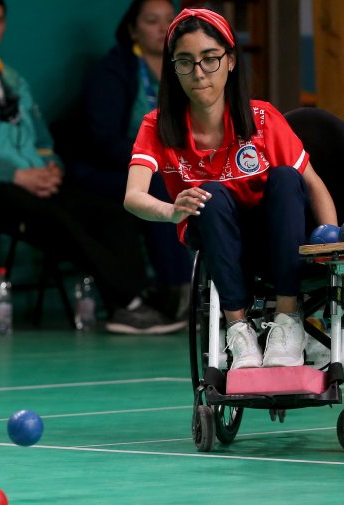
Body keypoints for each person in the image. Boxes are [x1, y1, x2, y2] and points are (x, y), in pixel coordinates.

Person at [0, 0, 185, 334]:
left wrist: (50, 169)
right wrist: (19, 176)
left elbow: (43, 140)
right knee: (58, 220)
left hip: (36, 182)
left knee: (113, 213)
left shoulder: (13, 79)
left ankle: (141, 300)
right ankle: (129, 303)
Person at [123, 8, 337, 368]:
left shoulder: (263, 119)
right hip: (217, 237)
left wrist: (330, 243)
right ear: (173, 67)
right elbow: (133, 197)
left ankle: (287, 321)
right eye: (185, 62)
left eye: (210, 59)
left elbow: (313, 184)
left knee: (286, 177)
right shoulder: (157, 125)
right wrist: (172, 210)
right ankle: (239, 330)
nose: (199, 73)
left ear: (231, 61)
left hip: (278, 240)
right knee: (212, 193)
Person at [70, 0, 192, 322]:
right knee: (162, 186)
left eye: (170, 20)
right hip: (108, 170)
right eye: (153, 21)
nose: (164, 29)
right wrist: (155, 162)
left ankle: (222, 289)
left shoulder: (184, 69)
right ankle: (174, 290)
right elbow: (102, 140)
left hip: (171, 165)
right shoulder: (112, 71)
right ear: (132, 29)